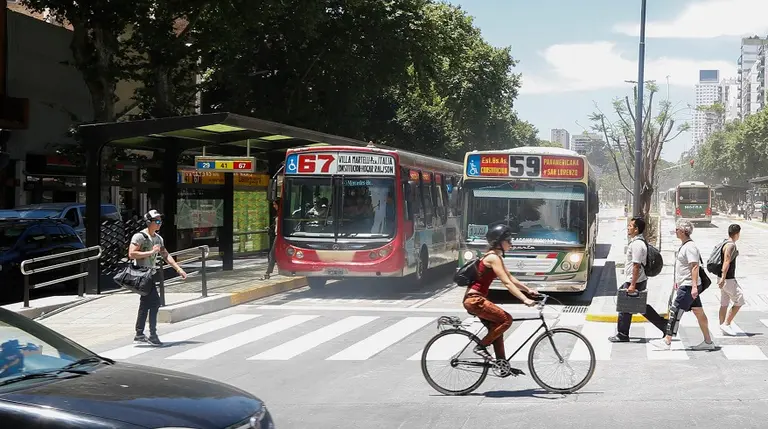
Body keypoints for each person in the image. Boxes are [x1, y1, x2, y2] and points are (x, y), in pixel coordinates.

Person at [463, 224, 538, 377]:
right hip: (475, 300)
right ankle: (481, 346)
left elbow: (511, 278)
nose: (511, 243)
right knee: (506, 320)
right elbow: (507, 283)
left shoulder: (495, 257)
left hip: (476, 299)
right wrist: (524, 299)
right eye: (508, 240)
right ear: (499, 242)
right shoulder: (492, 258)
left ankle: (502, 364)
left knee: (497, 328)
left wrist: (528, 289)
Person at [650, 219, 714, 351]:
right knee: (699, 312)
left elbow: (694, 266)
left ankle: (667, 340)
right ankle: (708, 341)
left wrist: (695, 287)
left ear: (684, 231)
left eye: (677, 229)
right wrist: (677, 283)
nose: (675, 231)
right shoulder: (685, 246)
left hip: (689, 286)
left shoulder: (690, 247)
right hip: (686, 285)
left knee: (675, 311)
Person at [128, 209, 187, 346]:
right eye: (157, 221)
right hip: (141, 274)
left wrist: (178, 269)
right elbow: (131, 254)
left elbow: (166, 255)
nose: (160, 223)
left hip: (150, 275)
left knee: (145, 303)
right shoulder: (139, 237)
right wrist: (151, 252)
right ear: (149, 222)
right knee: (155, 302)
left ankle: (139, 333)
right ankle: (152, 334)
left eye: (161, 221)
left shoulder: (158, 238)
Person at [608, 217, 668, 342]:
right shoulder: (638, 242)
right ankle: (663, 325)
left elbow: (636, 265)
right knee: (639, 306)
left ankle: (622, 334)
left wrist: (632, 285)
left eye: (630, 226)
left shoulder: (637, 244)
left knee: (625, 306)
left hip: (634, 281)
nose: (628, 228)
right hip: (637, 280)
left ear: (636, 229)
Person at [718, 224, 744, 335]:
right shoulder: (731, 245)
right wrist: (724, 277)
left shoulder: (724, 242)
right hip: (728, 279)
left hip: (722, 278)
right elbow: (727, 261)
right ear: (737, 234)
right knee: (740, 299)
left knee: (724, 303)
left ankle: (722, 326)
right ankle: (726, 324)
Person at [262, 199, 280, 280]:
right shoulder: (279, 213)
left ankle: (268, 273)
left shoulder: (282, 214)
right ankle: (268, 272)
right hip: (277, 235)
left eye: (275, 204)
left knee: (272, 254)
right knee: (272, 254)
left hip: (279, 236)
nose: (274, 206)